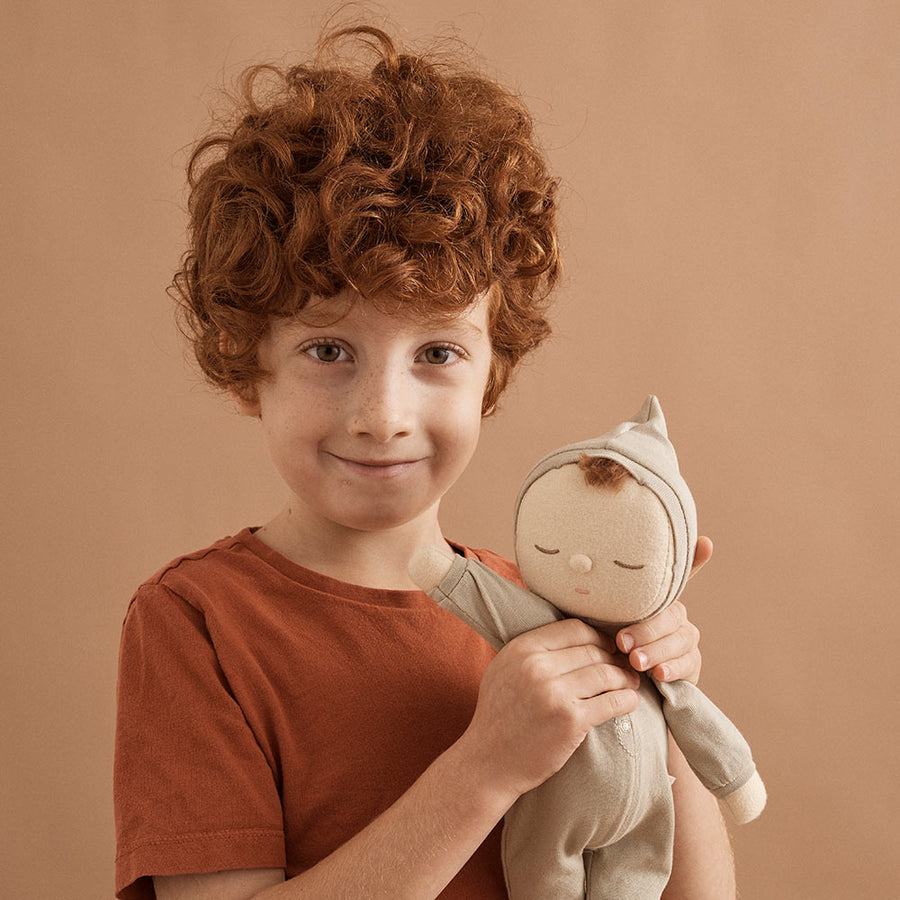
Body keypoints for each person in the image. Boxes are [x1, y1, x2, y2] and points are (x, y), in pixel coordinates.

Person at [114, 23, 734, 900]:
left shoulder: (548, 610)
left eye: (437, 353)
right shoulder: (197, 622)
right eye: (330, 352)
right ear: (248, 360)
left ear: (493, 372)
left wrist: (650, 693)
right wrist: (484, 769)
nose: (382, 417)